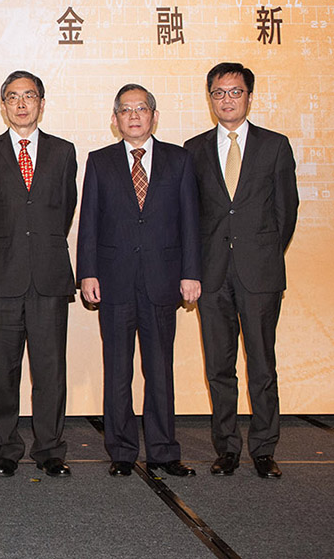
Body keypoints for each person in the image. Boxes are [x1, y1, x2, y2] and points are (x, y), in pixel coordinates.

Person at [77, 84, 201, 477]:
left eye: (141, 108)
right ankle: (121, 451)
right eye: (126, 110)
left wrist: (191, 273)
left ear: (154, 116)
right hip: (113, 281)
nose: (134, 116)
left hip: (163, 280)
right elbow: (89, 222)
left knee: (160, 370)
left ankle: (164, 450)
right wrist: (87, 272)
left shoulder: (179, 160)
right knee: (117, 370)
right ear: (115, 119)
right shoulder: (100, 161)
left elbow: (190, 221)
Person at [184, 63, 298, 479]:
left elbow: (286, 211)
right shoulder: (193, 149)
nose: (227, 99)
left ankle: (264, 449)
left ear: (249, 96)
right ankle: (227, 448)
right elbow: (189, 214)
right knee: (219, 367)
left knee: (262, 365)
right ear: (209, 98)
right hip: (212, 274)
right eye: (219, 92)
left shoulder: (275, 146)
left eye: (235, 92)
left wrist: (262, 254)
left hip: (260, 274)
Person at [0, 70, 78, 478]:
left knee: (50, 371)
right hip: (1, 277)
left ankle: (50, 449)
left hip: (49, 278)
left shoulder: (63, 152)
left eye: (29, 96)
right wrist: (8, 250)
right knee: (2, 370)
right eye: (12, 97)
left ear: (41, 104)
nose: (21, 103)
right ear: (3, 106)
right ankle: (4, 448)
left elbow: (65, 208)